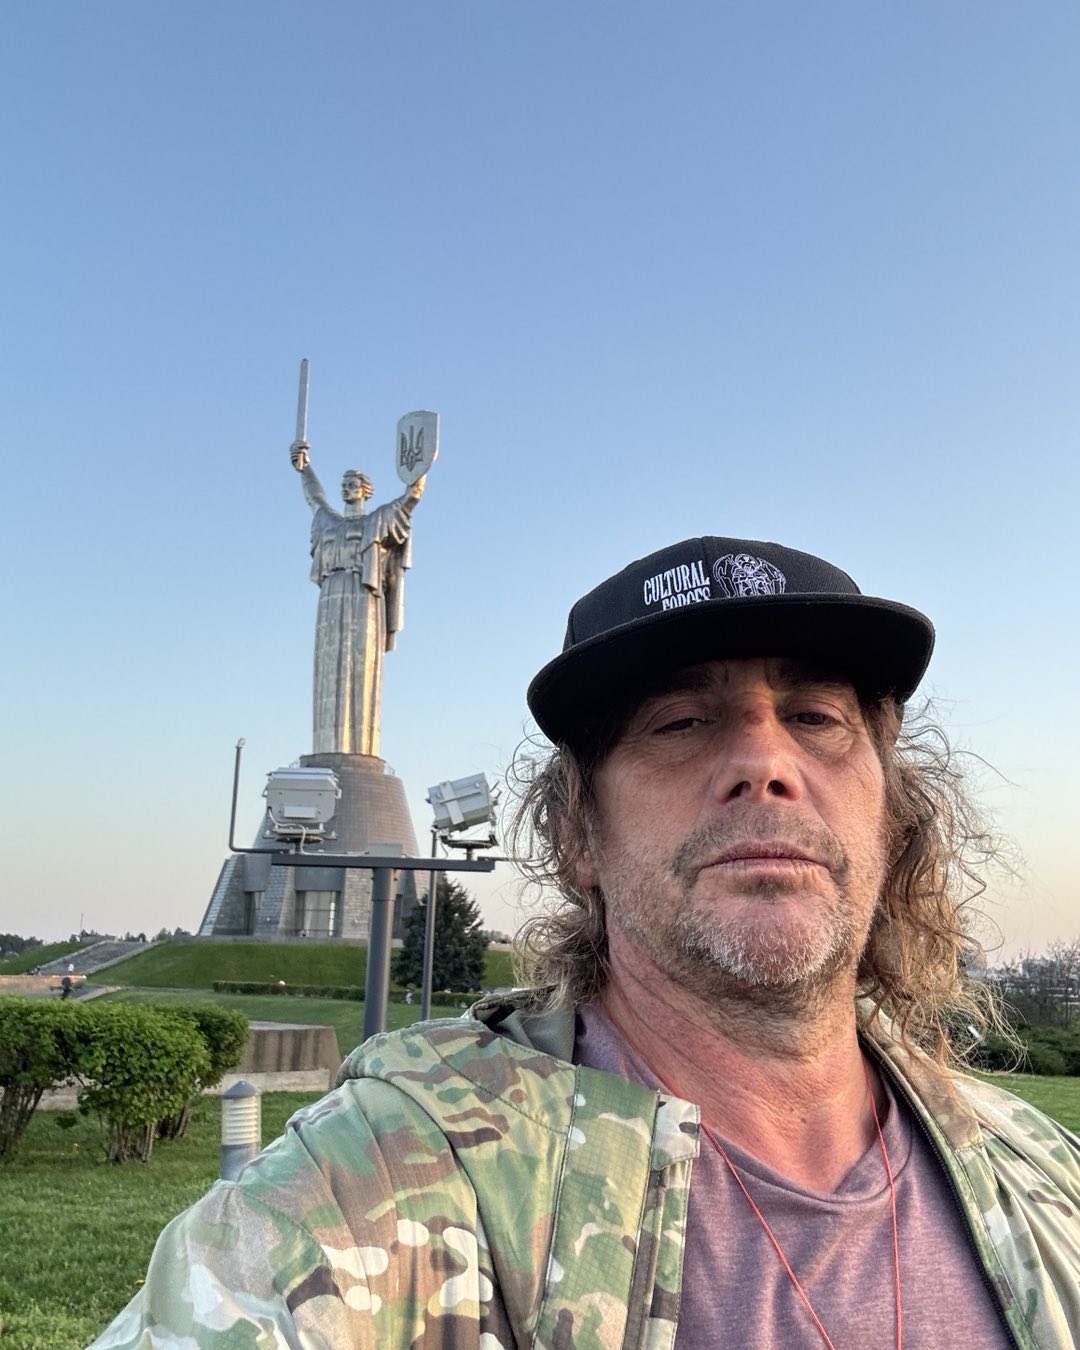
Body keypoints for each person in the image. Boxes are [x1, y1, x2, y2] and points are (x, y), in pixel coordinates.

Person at [90, 535, 1080, 1349]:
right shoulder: (384, 1185)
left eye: (816, 716)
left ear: (890, 811)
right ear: (576, 834)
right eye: (681, 721)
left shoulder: (1041, 1178)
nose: (764, 761)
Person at [289, 438, 424, 759]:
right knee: (328, 670)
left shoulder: (376, 521)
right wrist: (304, 468)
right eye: (344, 485)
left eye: (353, 485)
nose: (347, 489)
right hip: (330, 600)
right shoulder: (329, 522)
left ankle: (360, 751)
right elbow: (314, 497)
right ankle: (327, 750)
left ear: (365, 491)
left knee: (360, 668)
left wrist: (419, 468)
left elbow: (411, 497)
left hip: (364, 598)